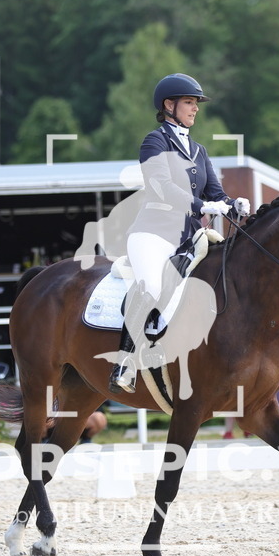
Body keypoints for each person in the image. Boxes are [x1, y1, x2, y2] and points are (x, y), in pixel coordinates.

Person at [110, 73, 250, 393]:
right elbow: (161, 187)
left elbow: (215, 192)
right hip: (153, 234)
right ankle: (125, 363)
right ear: (169, 105)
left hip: (188, 239)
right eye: (189, 102)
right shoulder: (155, 141)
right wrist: (203, 205)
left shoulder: (199, 151)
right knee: (152, 286)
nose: (195, 109)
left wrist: (233, 204)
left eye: (196, 103)